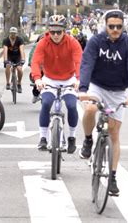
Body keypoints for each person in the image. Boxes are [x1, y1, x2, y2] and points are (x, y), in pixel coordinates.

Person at [78, 9, 128, 196]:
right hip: (97, 86)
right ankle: (88, 140)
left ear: (123, 27)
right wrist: (83, 89)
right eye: (111, 26)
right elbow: (87, 63)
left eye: (118, 27)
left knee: (114, 134)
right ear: (105, 26)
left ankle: (112, 177)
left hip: (119, 92)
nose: (115, 30)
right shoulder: (96, 41)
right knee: (89, 108)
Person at [31, 15, 82, 153]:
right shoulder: (43, 42)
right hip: (50, 79)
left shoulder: (72, 42)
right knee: (46, 103)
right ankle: (43, 138)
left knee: (72, 106)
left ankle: (72, 137)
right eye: (52, 32)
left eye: (59, 32)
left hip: (69, 79)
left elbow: (79, 62)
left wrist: (79, 79)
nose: (55, 35)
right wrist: (37, 79)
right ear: (48, 31)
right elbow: (35, 62)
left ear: (64, 31)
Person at [3, 27, 26, 93]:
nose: (13, 35)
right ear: (10, 33)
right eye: (12, 33)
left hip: (17, 56)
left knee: (19, 69)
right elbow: (5, 50)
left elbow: (22, 50)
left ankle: (19, 83)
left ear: (17, 34)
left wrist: (23, 59)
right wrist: (5, 60)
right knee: (7, 65)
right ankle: (8, 82)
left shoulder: (20, 40)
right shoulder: (6, 40)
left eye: (14, 34)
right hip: (9, 56)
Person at [28, 34, 45, 104]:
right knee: (37, 79)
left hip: (48, 69)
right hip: (38, 68)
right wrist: (31, 64)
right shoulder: (36, 46)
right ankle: (35, 94)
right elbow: (31, 56)